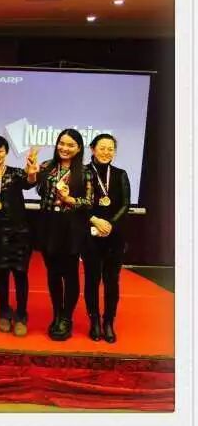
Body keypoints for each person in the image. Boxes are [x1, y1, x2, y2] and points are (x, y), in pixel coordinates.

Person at [0, 136, 39, 337]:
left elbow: (29, 183)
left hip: (20, 233)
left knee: (20, 274)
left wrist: (31, 172)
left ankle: (21, 315)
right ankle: (4, 311)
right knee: (1, 273)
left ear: (6, 152)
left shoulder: (15, 173)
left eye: (0, 150)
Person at [36, 128, 94, 341]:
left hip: (72, 227)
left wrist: (71, 200)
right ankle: (57, 314)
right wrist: (31, 171)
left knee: (69, 273)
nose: (65, 148)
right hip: (48, 224)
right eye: (62, 143)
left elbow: (89, 202)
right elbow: (38, 189)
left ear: (78, 148)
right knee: (52, 272)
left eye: (70, 145)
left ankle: (67, 318)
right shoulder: (46, 166)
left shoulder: (85, 172)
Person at [82, 134, 130, 343]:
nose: (106, 152)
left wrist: (109, 224)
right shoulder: (82, 172)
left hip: (114, 235)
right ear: (93, 149)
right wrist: (94, 221)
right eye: (102, 148)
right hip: (90, 235)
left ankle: (108, 321)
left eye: (110, 149)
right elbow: (77, 203)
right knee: (92, 280)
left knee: (112, 281)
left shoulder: (120, 174)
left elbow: (125, 204)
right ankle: (94, 321)